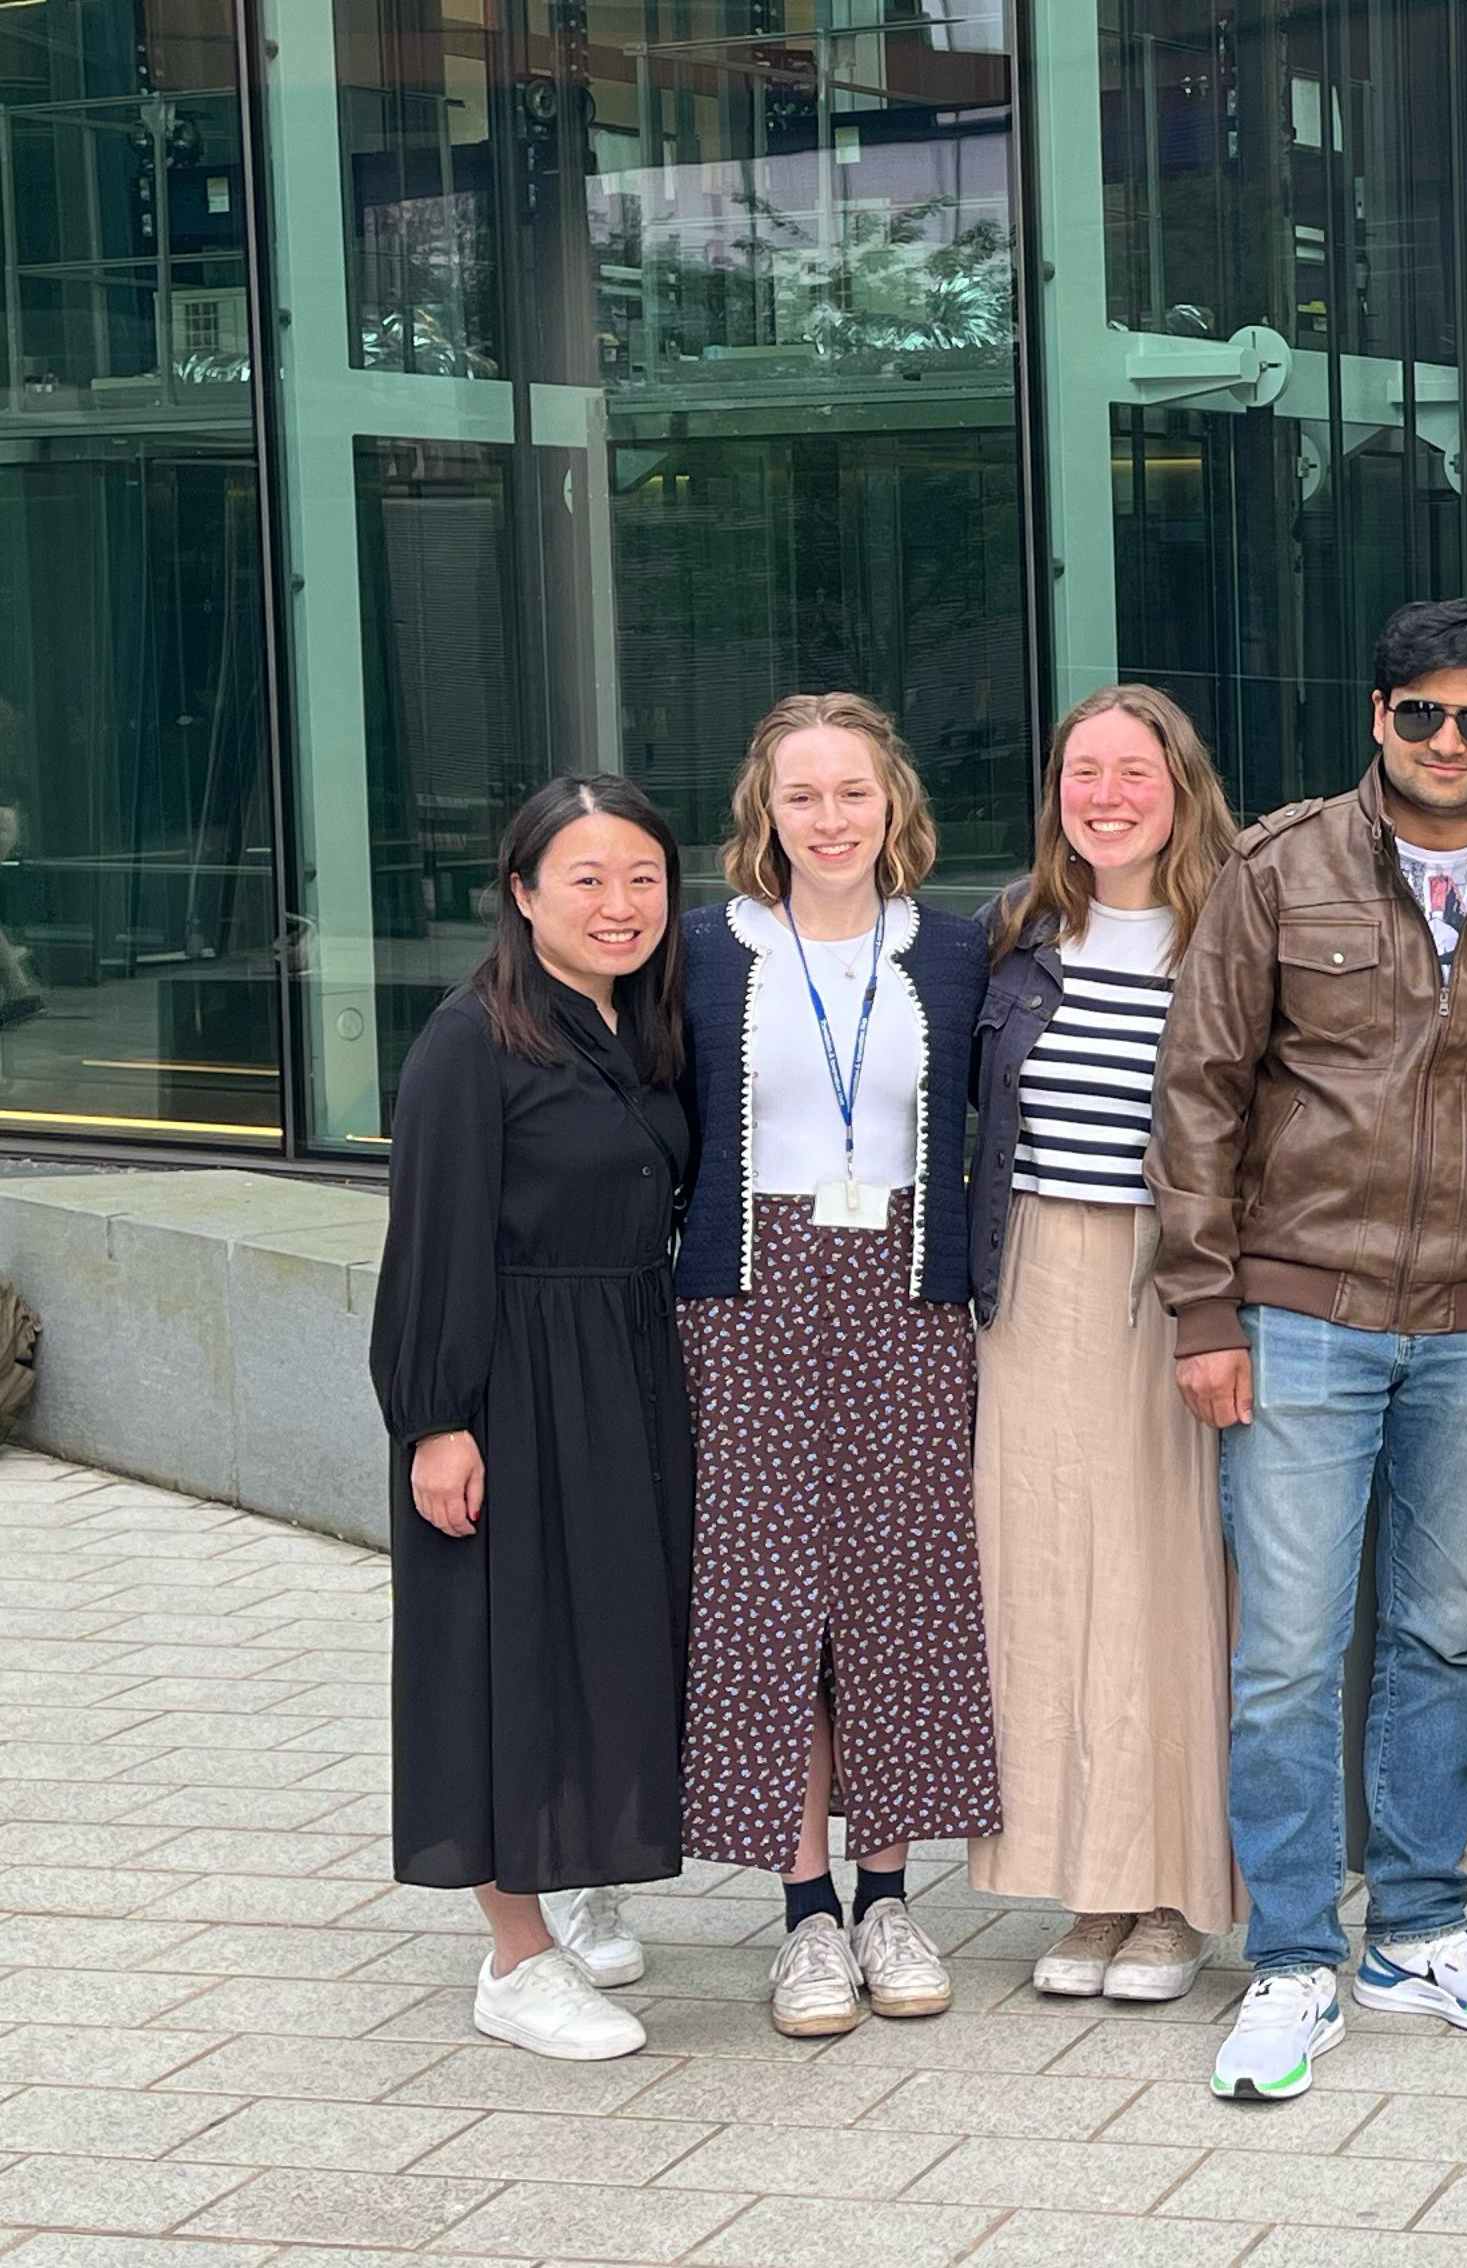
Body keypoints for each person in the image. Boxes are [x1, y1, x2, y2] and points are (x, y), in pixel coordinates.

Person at [1153, 598, 1467, 2101]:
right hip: (1302, 1318)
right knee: (1284, 1652)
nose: (1449, 741)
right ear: (1378, 716)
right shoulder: (1282, 868)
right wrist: (1203, 1309)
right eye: (1422, 713)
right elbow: (1198, 1092)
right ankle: (1290, 1955)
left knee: (1442, 1637)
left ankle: (1417, 1927)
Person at [672, 691, 998, 2039]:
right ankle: (803, 1911)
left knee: (905, 1595)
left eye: (851, 793)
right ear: (765, 811)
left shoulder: (958, 950)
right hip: (745, 1296)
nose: (829, 819)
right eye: (801, 795)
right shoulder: (699, 952)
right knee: (767, 1599)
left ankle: (889, 1894)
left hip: (909, 1295)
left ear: (893, 805)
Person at [372, 775, 696, 2062]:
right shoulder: (471, 1039)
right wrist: (436, 1421)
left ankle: (575, 1863)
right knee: (494, 1650)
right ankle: (514, 1958)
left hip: (624, 1361)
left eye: (643, 879)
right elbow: (431, 1243)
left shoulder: (645, 1022)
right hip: (505, 1373)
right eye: (587, 880)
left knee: (607, 1629)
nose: (620, 906)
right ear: (521, 892)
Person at [967, 683, 1247, 2001]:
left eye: (1136, 772)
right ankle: (1089, 1889)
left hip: (1169, 1284)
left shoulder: (1230, 931)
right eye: (1085, 772)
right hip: (1027, 1275)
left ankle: (1175, 1894)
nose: (1109, 796)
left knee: (1165, 1587)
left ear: (1181, 788)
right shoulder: (1014, 934)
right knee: (1045, 1585)